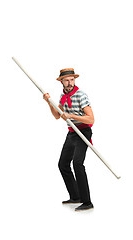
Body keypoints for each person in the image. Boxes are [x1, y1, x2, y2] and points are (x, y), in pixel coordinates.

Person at [43, 68, 94, 211]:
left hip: (83, 131)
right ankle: (75, 196)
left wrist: (72, 116)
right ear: (62, 82)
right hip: (71, 133)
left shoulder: (81, 95)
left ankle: (87, 202)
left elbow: (91, 119)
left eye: (72, 79)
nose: (70, 82)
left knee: (78, 164)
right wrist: (48, 102)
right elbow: (57, 115)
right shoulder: (62, 96)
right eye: (66, 80)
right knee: (63, 164)